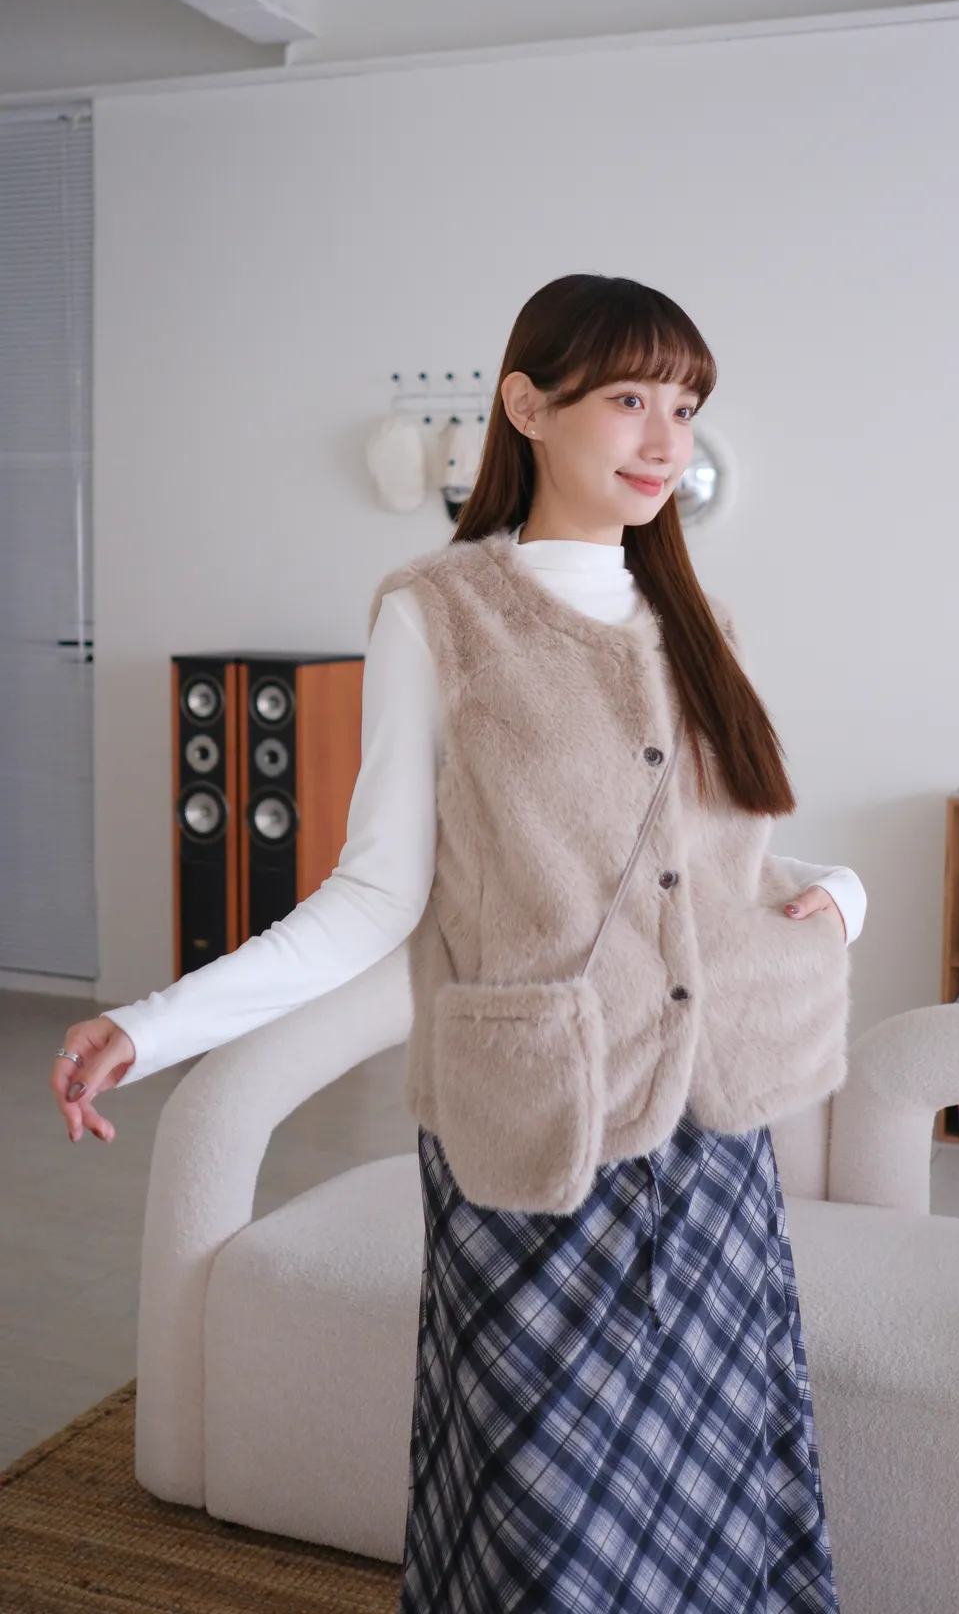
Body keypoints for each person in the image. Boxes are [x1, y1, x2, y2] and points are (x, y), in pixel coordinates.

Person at [50, 273, 866, 1611]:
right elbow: (375, 898)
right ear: (526, 406)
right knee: (540, 1517)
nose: (665, 440)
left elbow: (724, 865)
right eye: (630, 400)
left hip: (711, 1142)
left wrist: (842, 900)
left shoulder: (697, 626)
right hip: (535, 1135)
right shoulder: (437, 614)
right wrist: (151, 1026)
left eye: (685, 407)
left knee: (720, 1490)